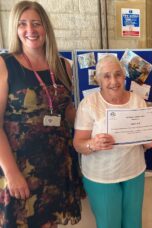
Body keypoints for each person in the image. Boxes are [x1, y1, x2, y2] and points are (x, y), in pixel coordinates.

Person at [0, 1, 82, 227]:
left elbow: (67, 112)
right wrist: (12, 173)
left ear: (46, 27)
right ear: (15, 29)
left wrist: (102, 117)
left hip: (58, 164)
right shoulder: (5, 64)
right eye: (23, 24)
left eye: (36, 23)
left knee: (51, 223)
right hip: (21, 166)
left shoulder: (63, 66)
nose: (30, 30)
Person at [73, 54, 152, 228]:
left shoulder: (138, 101)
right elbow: (78, 144)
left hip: (133, 172)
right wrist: (93, 144)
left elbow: (143, 143)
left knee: (133, 223)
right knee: (109, 224)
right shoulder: (89, 104)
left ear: (124, 76)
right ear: (99, 79)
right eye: (106, 76)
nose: (113, 81)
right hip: (101, 176)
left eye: (117, 74)